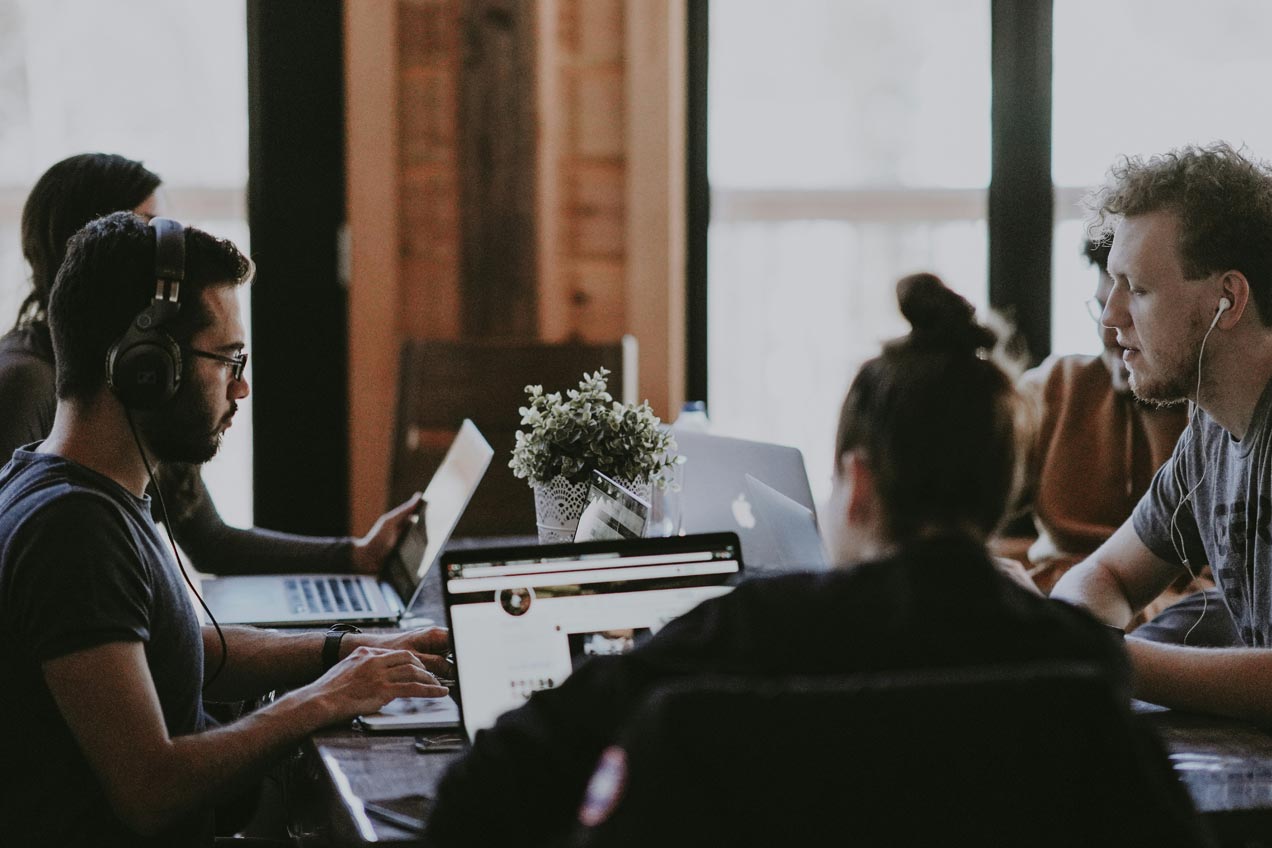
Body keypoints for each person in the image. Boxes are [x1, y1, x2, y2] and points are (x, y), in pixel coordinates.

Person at [424, 273, 1128, 845]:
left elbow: (482, 787)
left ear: (856, 486)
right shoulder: (1081, 664)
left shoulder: (742, 633)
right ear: (1003, 488)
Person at [0, 212, 452, 846]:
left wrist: (344, 652)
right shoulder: (72, 530)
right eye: (229, 359)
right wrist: (323, 700)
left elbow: (186, 647)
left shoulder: (75, 489)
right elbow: (150, 790)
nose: (242, 386)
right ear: (146, 367)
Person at [0, 153, 416, 578]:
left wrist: (356, 555)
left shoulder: (157, 377)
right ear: (90, 243)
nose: (170, 256)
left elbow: (212, 542)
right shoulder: (27, 382)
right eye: (147, 229)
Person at [1052, 142, 1272, 722]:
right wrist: (1075, 635)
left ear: (1229, 299)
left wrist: (1105, 657)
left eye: (1138, 289)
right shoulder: (1210, 430)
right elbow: (1105, 574)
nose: (1110, 316)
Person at [999, 239, 1237, 645]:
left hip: (1178, 620)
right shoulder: (1055, 387)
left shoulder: (1221, 421)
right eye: (1101, 308)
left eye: (1136, 306)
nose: (1111, 332)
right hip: (1073, 600)